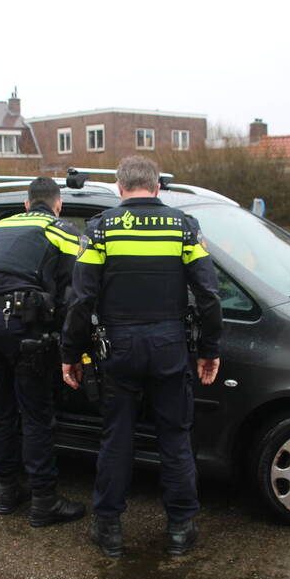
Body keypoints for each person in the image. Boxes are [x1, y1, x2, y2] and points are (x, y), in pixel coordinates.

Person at [61, 156, 222, 557]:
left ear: (119, 188)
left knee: (117, 438)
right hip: (170, 346)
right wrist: (210, 349)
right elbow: (209, 295)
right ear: (157, 188)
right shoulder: (184, 227)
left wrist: (71, 353)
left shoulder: (99, 230)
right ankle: (181, 529)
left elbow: (81, 299)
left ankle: (109, 529)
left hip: (119, 348)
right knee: (175, 438)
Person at [0, 176, 86, 528]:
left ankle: (7, 492)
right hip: (21, 325)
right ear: (58, 203)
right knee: (35, 415)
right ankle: (44, 502)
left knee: (1, 410)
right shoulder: (60, 229)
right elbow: (77, 289)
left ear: (26, 203)